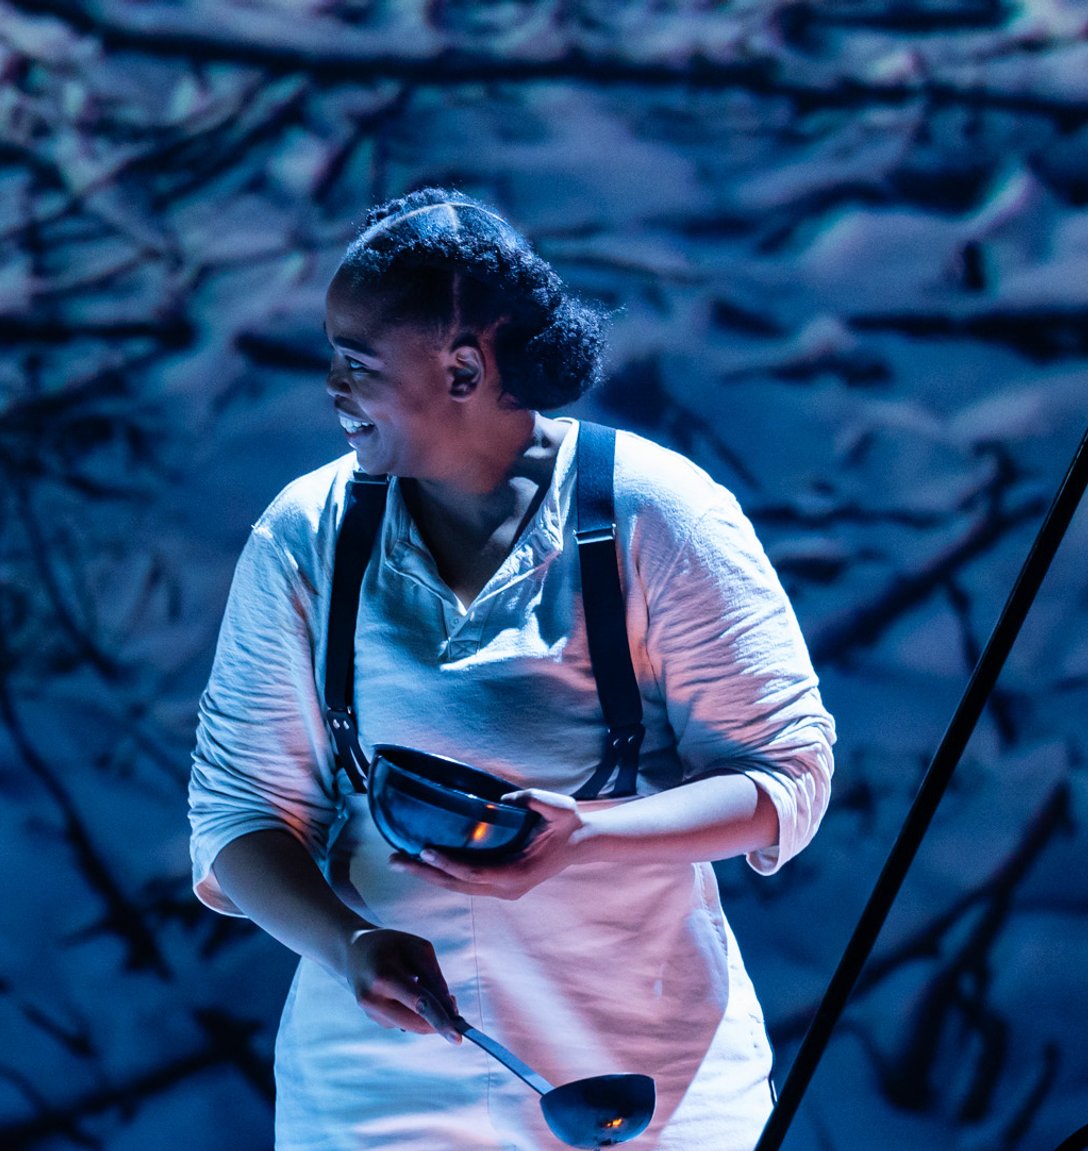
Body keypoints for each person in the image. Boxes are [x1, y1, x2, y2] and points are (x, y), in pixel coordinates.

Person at [187, 189, 834, 1149]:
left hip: (636, 1078)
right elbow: (236, 814)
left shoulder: (657, 512)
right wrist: (348, 940)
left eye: (358, 364)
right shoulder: (306, 535)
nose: (331, 386)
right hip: (376, 1098)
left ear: (463, 368)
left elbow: (788, 778)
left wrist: (587, 835)